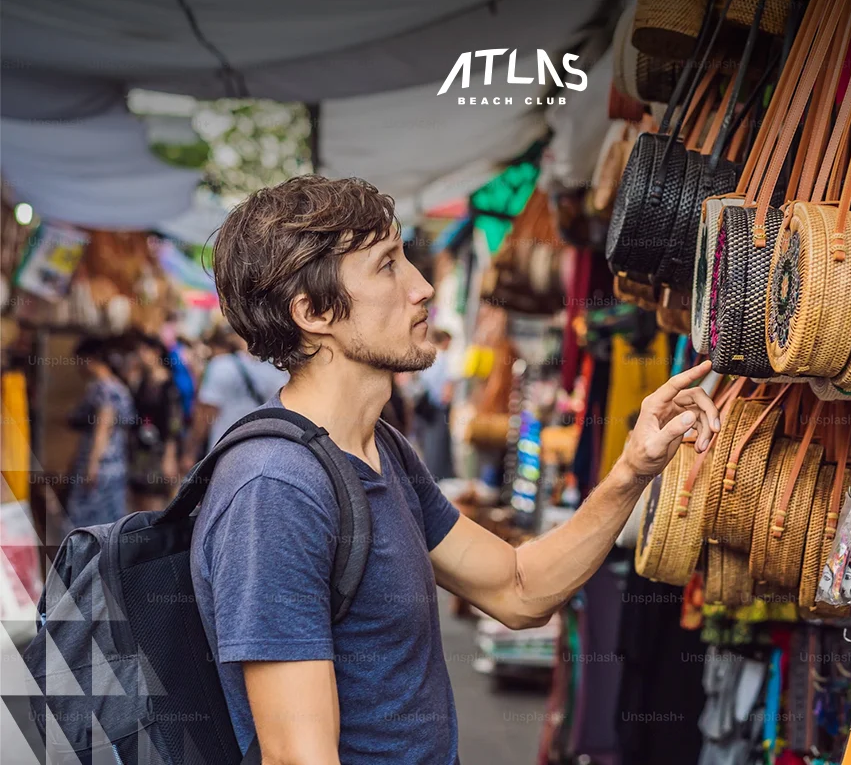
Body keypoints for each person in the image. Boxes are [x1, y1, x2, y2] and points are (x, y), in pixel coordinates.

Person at [192, 175, 719, 765]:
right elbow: (298, 758)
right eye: (387, 266)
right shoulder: (275, 489)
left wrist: (632, 469)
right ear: (314, 312)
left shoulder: (380, 448)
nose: (422, 288)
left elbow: (518, 590)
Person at [179, 323, 286, 472]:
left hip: (225, 454)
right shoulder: (277, 369)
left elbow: (205, 415)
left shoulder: (220, 366)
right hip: (264, 456)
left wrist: (189, 452)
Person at [64, 337, 136, 531]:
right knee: (110, 524)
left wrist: (92, 465)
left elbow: (102, 428)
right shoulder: (118, 387)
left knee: (86, 524)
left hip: (100, 466)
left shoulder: (103, 388)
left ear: (89, 359)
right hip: (115, 463)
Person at [126, 332, 183, 512]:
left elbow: (174, 423)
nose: (140, 356)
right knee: (138, 500)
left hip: (159, 451)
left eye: (144, 351)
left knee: (154, 502)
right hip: (139, 449)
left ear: (156, 352)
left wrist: (170, 455)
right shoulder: (140, 382)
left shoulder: (169, 385)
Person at [413, 327, 456, 479]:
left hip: (426, 407)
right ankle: (437, 475)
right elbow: (447, 385)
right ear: (445, 341)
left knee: (428, 443)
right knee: (438, 443)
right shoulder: (443, 358)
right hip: (439, 407)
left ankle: (430, 473)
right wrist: (447, 399)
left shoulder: (428, 356)